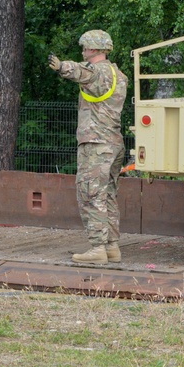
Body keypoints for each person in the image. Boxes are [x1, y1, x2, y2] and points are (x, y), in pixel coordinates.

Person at [48, 29, 129, 265]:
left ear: (93, 49)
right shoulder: (118, 74)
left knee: (91, 194)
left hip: (96, 144)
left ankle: (97, 249)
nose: (83, 50)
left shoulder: (97, 72)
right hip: (114, 142)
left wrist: (62, 66)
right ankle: (112, 247)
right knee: (109, 195)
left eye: (85, 47)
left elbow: (82, 73)